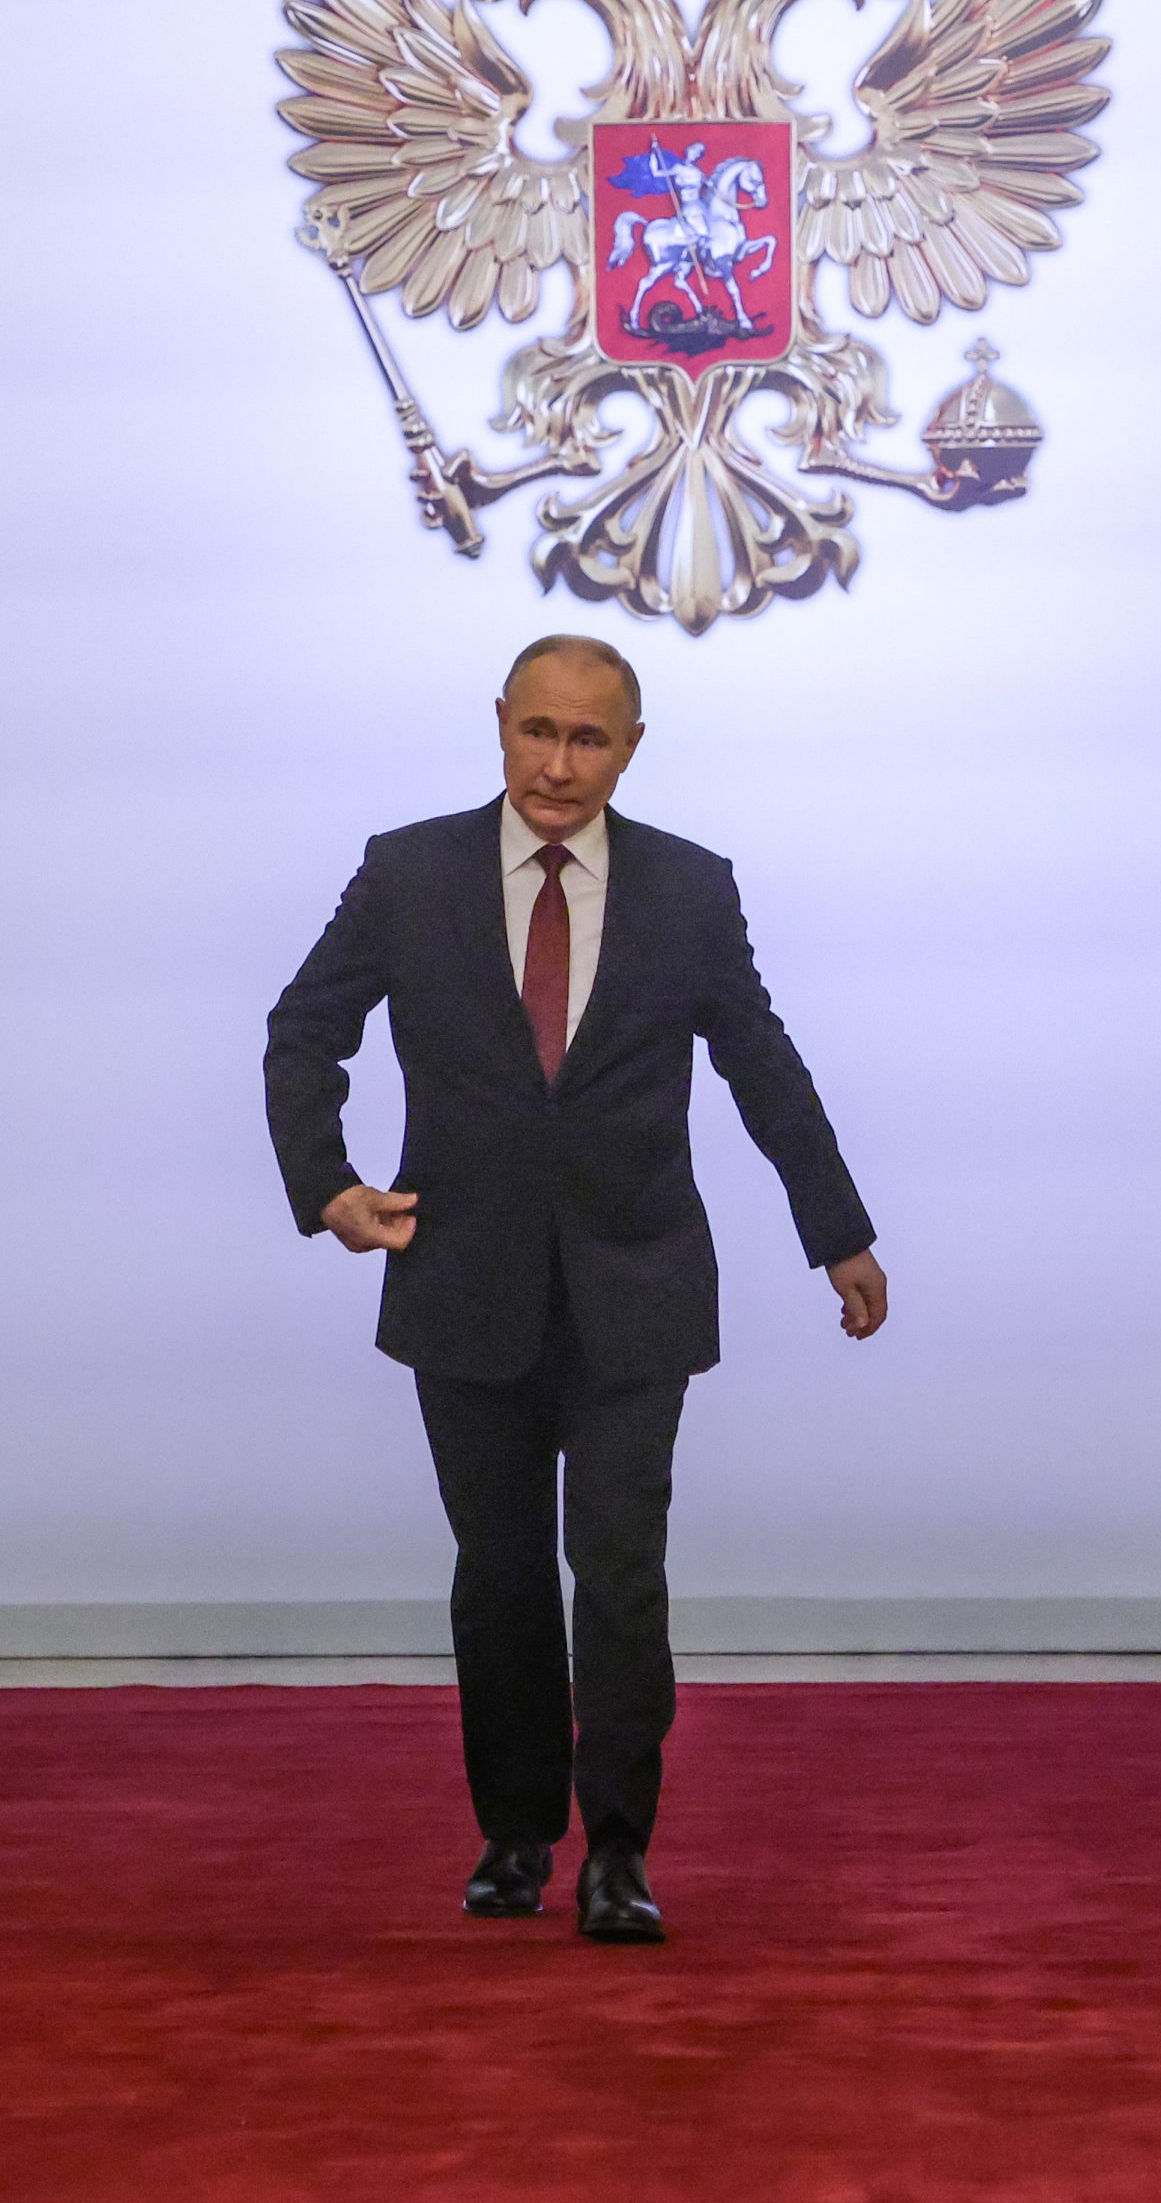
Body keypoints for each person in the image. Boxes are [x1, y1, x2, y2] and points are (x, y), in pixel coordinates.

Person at [264, 636, 886, 1942]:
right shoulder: (407, 872)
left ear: (632, 747)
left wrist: (836, 1233)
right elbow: (304, 1029)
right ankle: (513, 1833)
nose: (558, 765)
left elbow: (763, 1068)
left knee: (619, 1562)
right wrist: (328, 1185)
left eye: (588, 739)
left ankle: (618, 1848)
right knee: (496, 1570)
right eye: (537, 732)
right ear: (499, 728)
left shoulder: (690, 891)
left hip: (638, 1284)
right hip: (460, 1278)